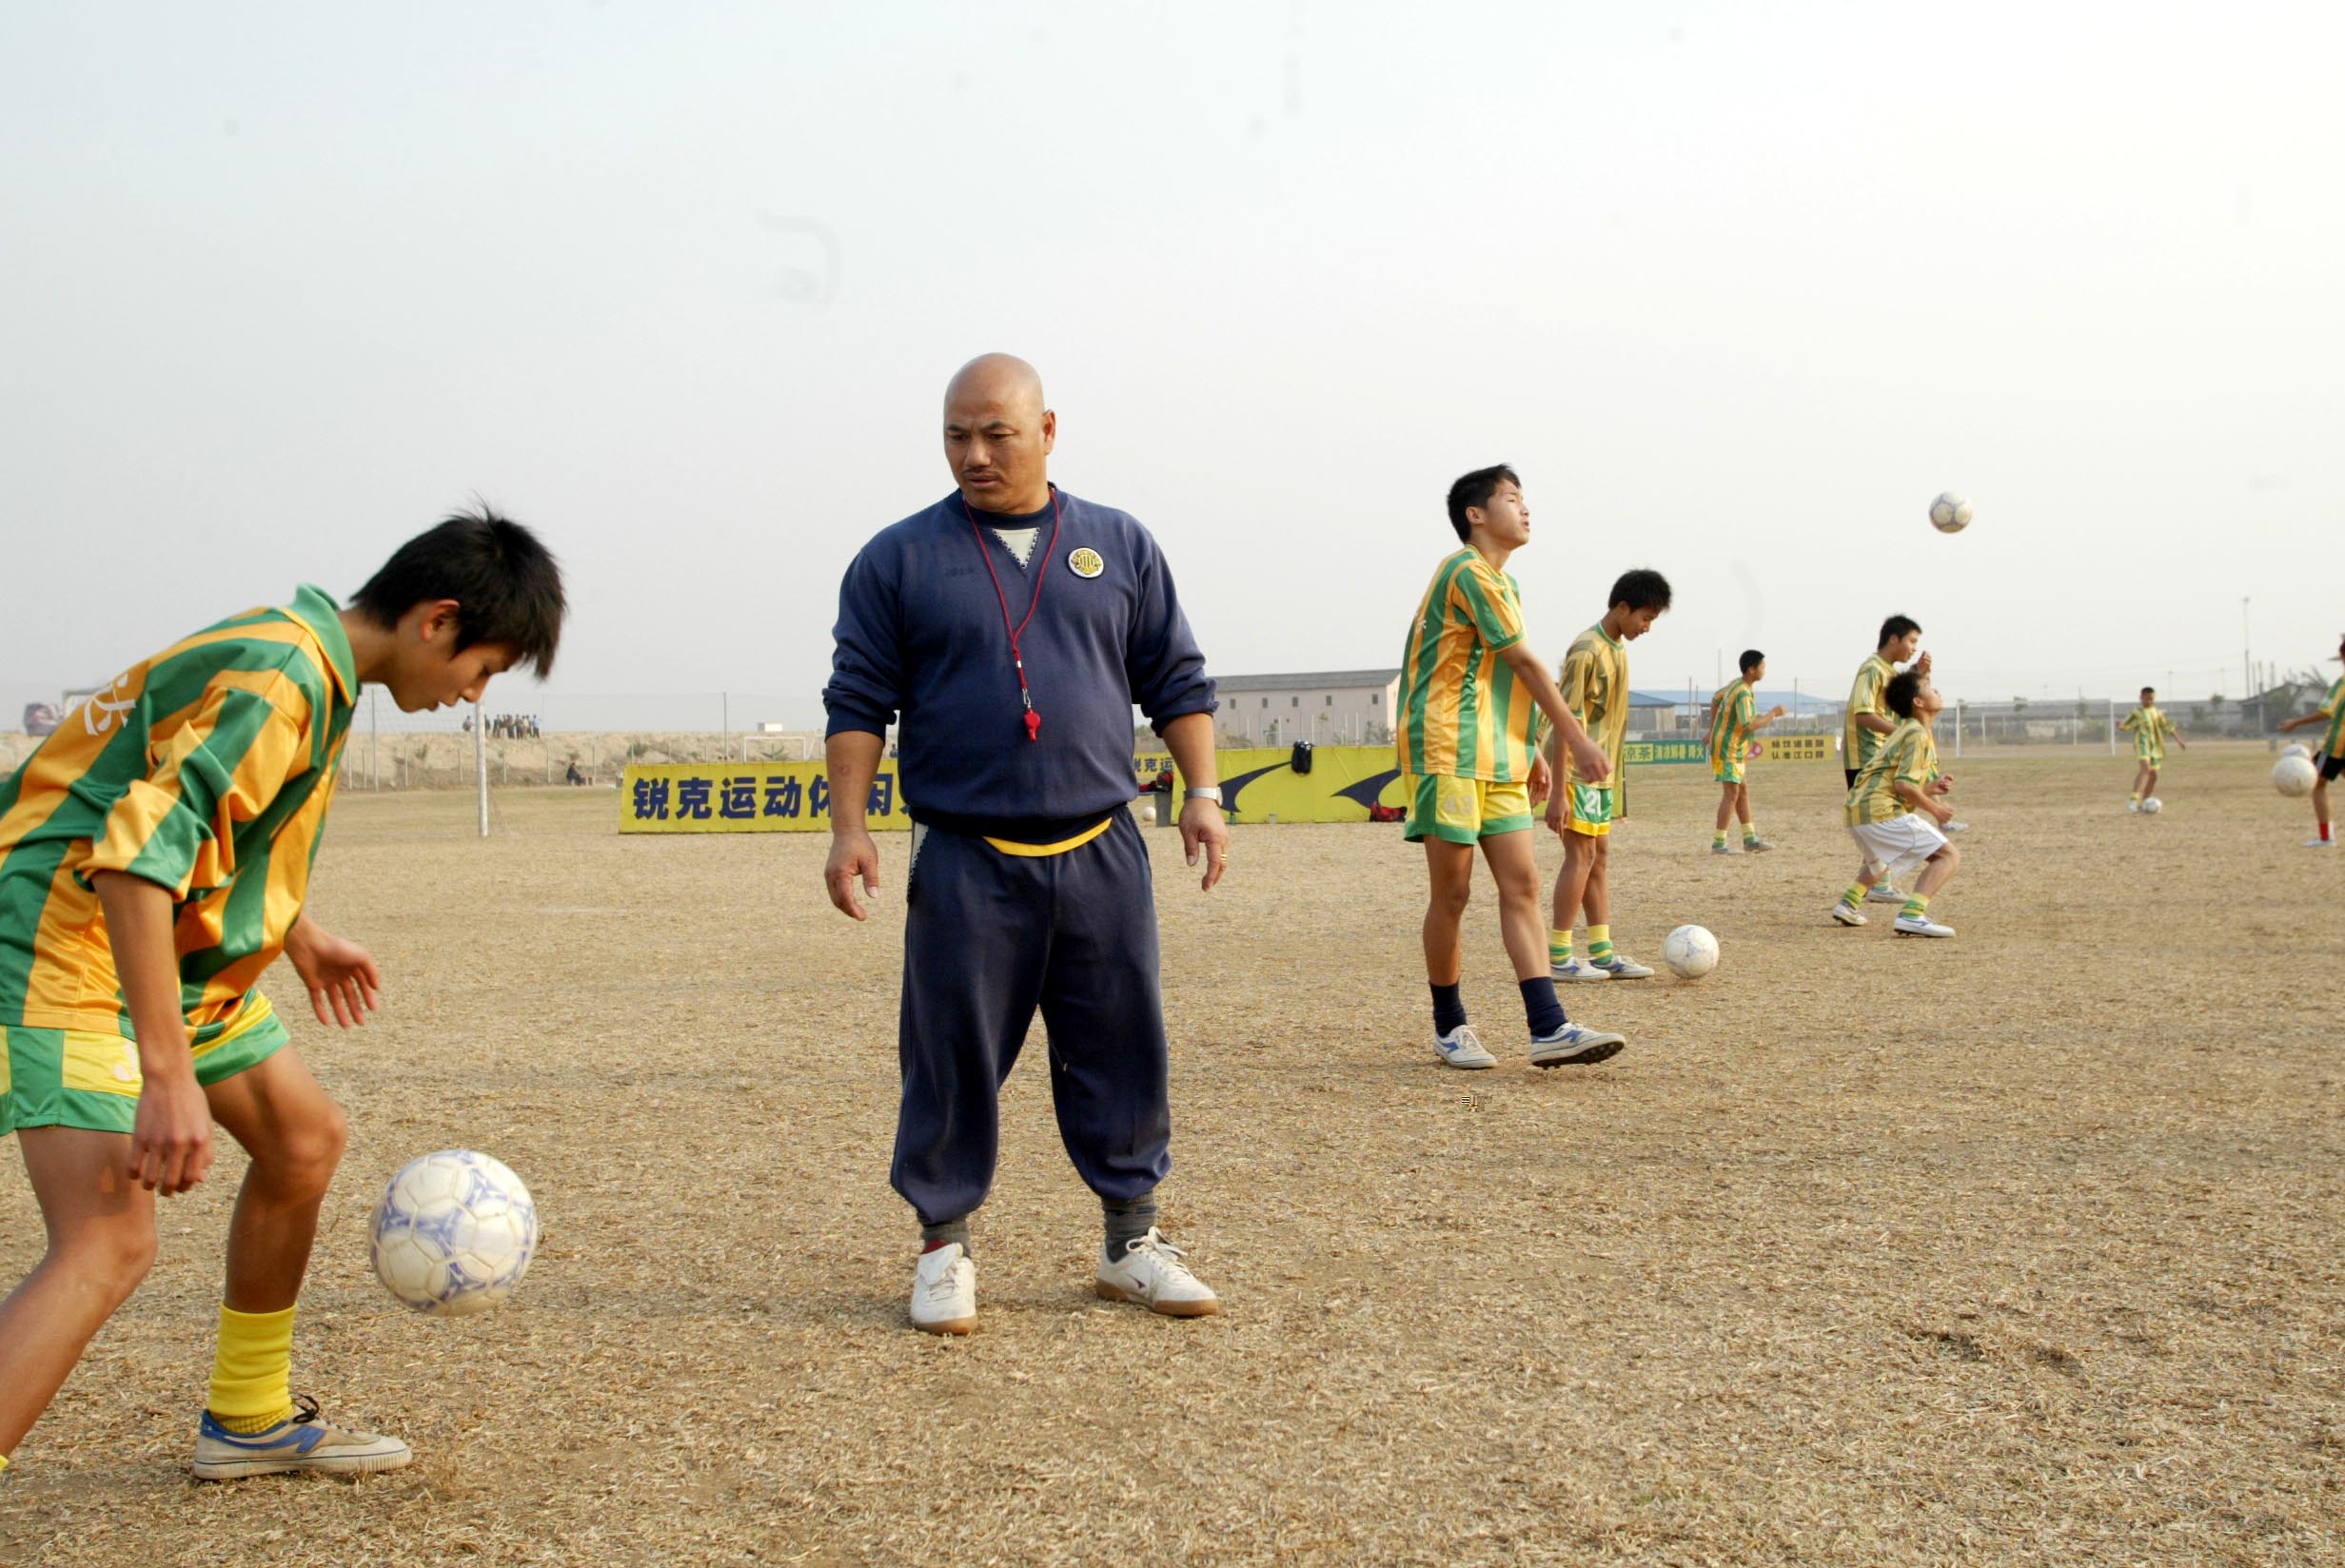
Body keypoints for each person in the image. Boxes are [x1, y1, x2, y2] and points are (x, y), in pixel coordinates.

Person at [0, 510, 565, 1482]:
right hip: (68, 935)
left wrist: (295, 931)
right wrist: (167, 1075)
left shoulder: (309, 664)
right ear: (437, 621)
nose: (473, 697)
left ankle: (249, 1419)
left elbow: (196, 818)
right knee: (108, 1240)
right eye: (483, 670)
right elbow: (134, 863)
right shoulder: (284, 678)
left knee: (303, 1139)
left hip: (166, 945)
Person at [822, 354, 1227, 1335]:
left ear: (1048, 429)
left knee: (1123, 1045)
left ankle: (1131, 1239)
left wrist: (1203, 793)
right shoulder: (899, 558)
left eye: (996, 433)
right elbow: (856, 699)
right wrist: (849, 826)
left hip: (1101, 846)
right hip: (967, 854)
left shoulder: (1118, 544)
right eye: (956, 435)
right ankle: (944, 1246)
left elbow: (1174, 676)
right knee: (950, 1053)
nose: (974, 454)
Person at [1396, 465, 1626, 1072]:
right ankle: (1450, 1026)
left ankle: (1548, 1027)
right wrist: (1573, 740)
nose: (1526, 511)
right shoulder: (1465, 570)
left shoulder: (1503, 584)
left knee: (1521, 885)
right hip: (1445, 749)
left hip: (1496, 756)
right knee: (1452, 892)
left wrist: (1525, 750)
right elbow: (1523, 661)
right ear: (1476, 514)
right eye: (1512, 499)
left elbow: (1501, 677)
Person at [1547, 570, 1671, 983]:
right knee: (1579, 856)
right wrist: (1558, 792)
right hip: (1575, 775)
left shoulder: (1617, 649)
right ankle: (1558, 956)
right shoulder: (1586, 650)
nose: (1647, 628)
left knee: (1598, 859)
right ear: (1622, 607)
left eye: (1653, 620)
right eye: (1645, 618)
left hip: (1600, 779)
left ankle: (1601, 952)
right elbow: (1563, 719)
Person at [1830, 669, 1960, 936]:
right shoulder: (1917, 734)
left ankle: (1849, 904)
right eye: (1928, 686)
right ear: (1918, 702)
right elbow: (1902, 785)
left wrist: (1931, 788)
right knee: (1948, 856)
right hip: (1879, 810)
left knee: (1879, 860)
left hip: (1858, 810)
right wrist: (1936, 809)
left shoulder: (1906, 731)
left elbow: (1899, 782)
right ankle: (1913, 914)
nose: (1936, 690)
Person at [1843, 617, 1933, 899]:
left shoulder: (1889, 672)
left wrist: (1918, 674)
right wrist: (1902, 734)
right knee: (1884, 820)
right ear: (1893, 639)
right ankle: (1876, 886)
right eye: (1911, 641)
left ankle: (1872, 887)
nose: (1913, 647)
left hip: (1881, 756)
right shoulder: (1872, 669)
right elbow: (1863, 713)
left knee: (1885, 819)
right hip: (1867, 757)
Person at [1706, 649, 1788, 853]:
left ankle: (1750, 838)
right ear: (1752, 670)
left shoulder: (1737, 685)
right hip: (1729, 749)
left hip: (1732, 747)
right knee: (1732, 793)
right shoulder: (1742, 692)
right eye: (1762, 667)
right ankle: (1719, 843)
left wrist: (1712, 730)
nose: (1764, 670)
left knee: (1741, 790)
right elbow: (1749, 725)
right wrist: (1773, 714)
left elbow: (1716, 699)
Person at [2276, 632, 2345, 848]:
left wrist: (2295, 722)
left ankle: (2326, 838)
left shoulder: (2342, 684)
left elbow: (2326, 712)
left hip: (2338, 745)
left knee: (2317, 783)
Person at [2118, 685, 2185, 811]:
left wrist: (2179, 740)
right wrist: (2120, 725)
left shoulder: (2157, 713)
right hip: (2142, 743)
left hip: (2155, 746)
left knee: (2154, 776)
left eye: (2152, 699)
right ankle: (2132, 800)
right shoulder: (2137, 713)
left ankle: (2144, 802)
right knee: (2145, 768)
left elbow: (2167, 727)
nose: (2149, 701)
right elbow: (2125, 725)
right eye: (2147, 698)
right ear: (2141, 698)